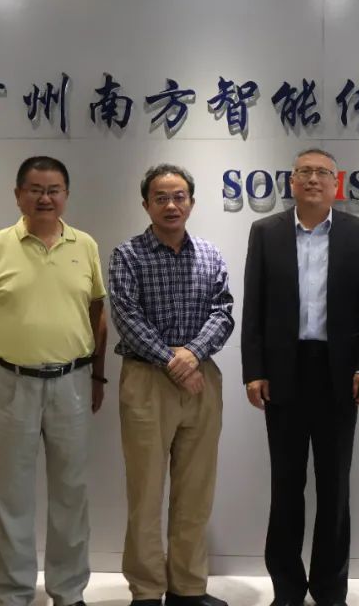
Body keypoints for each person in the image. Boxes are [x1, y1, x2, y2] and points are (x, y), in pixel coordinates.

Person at [241, 148, 359, 606]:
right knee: (286, 486)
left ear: (336, 183)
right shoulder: (266, 232)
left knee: (334, 486)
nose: (314, 179)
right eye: (305, 172)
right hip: (283, 372)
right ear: (292, 182)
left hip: (338, 373)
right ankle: (286, 587)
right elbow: (254, 304)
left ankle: (329, 588)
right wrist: (254, 370)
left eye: (323, 173)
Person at [0, 156, 108, 606]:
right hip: (11, 382)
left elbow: (97, 312)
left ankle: (69, 590)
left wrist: (98, 375)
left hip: (73, 381)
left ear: (66, 195)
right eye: (35, 189)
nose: (45, 198)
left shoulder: (85, 244)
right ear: (18, 195)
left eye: (53, 190)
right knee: (12, 496)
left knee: (71, 493)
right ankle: (13, 593)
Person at [108, 164, 235, 606]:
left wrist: (192, 355)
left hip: (202, 380)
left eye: (179, 196)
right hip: (147, 379)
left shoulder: (210, 255)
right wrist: (172, 360)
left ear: (192, 203)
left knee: (195, 492)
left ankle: (188, 588)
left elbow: (223, 312)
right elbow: (126, 316)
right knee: (145, 492)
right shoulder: (128, 255)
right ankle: (146, 591)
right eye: (161, 197)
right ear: (146, 204)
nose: (171, 205)